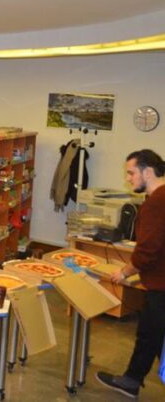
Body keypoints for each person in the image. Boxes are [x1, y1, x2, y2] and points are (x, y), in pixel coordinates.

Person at [96, 149, 165, 399]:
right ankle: (132, 380)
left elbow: (148, 250)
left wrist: (125, 273)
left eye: (131, 173)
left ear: (148, 172)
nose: (128, 178)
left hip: (161, 287)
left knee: (149, 334)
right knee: (151, 335)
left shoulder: (156, 203)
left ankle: (131, 380)